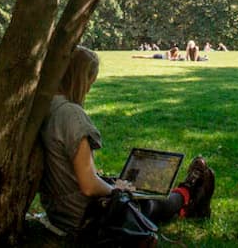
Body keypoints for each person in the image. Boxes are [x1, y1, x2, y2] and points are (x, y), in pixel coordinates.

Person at [39, 46, 215, 237]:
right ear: (80, 79)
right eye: (90, 82)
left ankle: (180, 195)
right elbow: (89, 185)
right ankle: (186, 194)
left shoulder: (46, 107)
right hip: (85, 217)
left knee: (130, 186)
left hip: (59, 213)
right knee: (147, 202)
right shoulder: (72, 115)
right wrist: (118, 191)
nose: (89, 89)